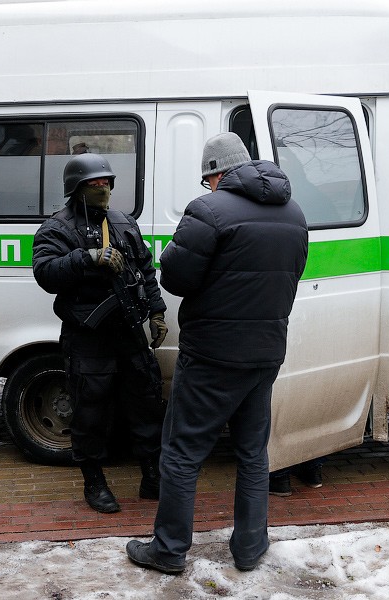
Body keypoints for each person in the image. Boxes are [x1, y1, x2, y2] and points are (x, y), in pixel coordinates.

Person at [126, 133, 308, 574]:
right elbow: (293, 274)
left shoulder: (208, 211)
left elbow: (175, 279)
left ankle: (169, 550)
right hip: (266, 353)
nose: (208, 186)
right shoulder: (295, 212)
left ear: (216, 173)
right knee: (252, 452)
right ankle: (249, 547)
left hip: (211, 356)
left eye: (208, 179)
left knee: (182, 452)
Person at [32, 153, 168, 514]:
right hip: (88, 338)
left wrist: (156, 312)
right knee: (90, 413)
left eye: (107, 182)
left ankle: (152, 476)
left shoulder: (123, 222)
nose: (103, 188)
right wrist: (87, 258)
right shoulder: (56, 229)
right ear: (77, 189)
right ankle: (94, 481)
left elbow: (144, 268)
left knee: (147, 404)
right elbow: (45, 273)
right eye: (95, 184)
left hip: (129, 333)